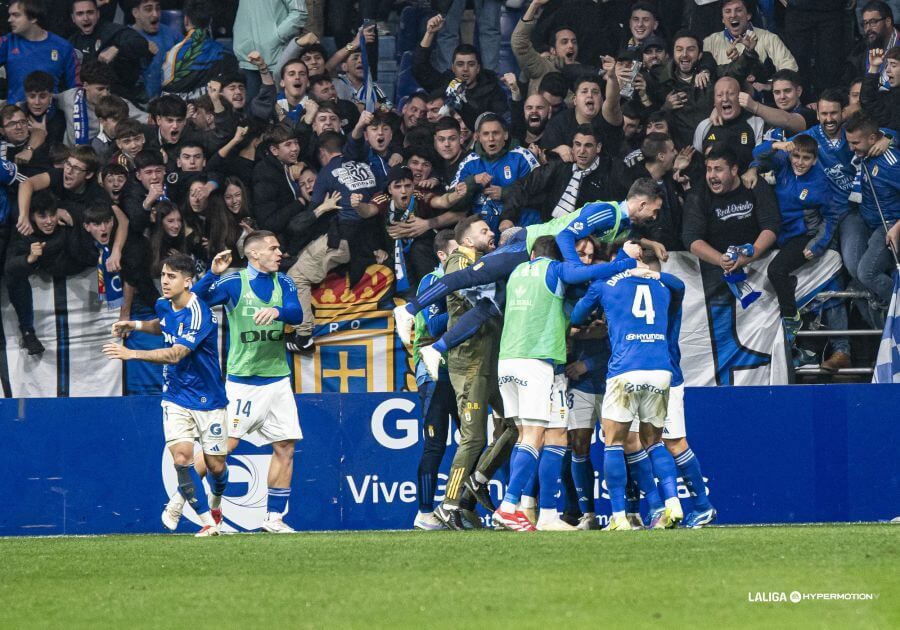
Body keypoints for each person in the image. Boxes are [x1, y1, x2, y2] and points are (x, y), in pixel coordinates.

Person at [394, 178, 663, 347]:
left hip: (542, 258)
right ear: (642, 204)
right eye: (655, 210)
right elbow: (566, 235)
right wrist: (575, 268)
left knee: (493, 305)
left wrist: (648, 244)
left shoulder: (622, 225)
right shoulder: (606, 211)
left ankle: (437, 350)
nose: (655, 216)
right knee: (472, 276)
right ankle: (409, 309)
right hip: (528, 244)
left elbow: (616, 241)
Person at [492, 235, 641, 531]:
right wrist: (625, 259)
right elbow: (588, 277)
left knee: (554, 436)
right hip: (538, 362)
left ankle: (547, 514)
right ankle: (508, 507)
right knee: (534, 435)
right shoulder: (555, 271)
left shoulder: (517, 272)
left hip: (508, 360)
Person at [161, 232, 304, 534]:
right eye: (273, 248)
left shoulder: (284, 282)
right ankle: (177, 500)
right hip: (243, 381)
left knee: (285, 447)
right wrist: (212, 274)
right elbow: (193, 300)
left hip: (278, 379)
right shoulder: (234, 283)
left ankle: (273, 518)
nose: (280, 252)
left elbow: (297, 313)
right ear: (254, 254)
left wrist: (277, 311)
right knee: (223, 448)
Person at [103, 253, 229, 537]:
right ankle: (208, 522)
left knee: (216, 467)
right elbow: (162, 323)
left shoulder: (200, 313)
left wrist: (132, 353)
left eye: (171, 276)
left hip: (209, 399)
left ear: (187, 282)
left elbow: (175, 354)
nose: (164, 281)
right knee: (182, 460)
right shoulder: (163, 304)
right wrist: (135, 324)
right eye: (163, 275)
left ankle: (216, 501)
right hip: (175, 396)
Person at [570, 260, 686, 531]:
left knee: (614, 443)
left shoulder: (605, 284)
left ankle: (619, 517)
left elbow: (576, 316)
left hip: (626, 369)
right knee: (654, 442)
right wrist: (653, 274)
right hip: (660, 370)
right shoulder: (661, 284)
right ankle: (673, 502)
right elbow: (680, 286)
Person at [431, 215, 509, 530]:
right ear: (466, 240)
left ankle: (478, 479)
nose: (491, 233)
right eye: (484, 230)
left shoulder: (483, 263)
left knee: (517, 425)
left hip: (490, 362)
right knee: (473, 437)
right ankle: (448, 505)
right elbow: (471, 295)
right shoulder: (459, 261)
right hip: (471, 363)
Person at [752, 135, 843, 348]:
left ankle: (791, 318)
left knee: (776, 271)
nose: (800, 162)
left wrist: (817, 245)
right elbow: (757, 154)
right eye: (796, 156)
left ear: (814, 159)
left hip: (802, 237)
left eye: (806, 158)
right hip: (777, 232)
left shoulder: (819, 182)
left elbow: (832, 217)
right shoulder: (783, 163)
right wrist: (777, 145)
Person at [412, 230, 460, 530]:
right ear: (442, 256)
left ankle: (458, 507)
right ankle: (425, 512)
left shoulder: (463, 279)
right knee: (435, 443)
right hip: (433, 372)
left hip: (460, 370)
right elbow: (433, 324)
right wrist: (463, 308)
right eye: (456, 253)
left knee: (473, 441)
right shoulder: (432, 281)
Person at [844, 112, 900, 319]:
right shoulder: (866, 152)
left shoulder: (892, 163)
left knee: (867, 273)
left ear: (873, 139)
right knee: (855, 271)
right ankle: (881, 320)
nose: (851, 148)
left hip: (889, 224)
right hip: (865, 219)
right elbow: (885, 131)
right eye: (849, 142)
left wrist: (897, 228)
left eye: (855, 143)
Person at [449, 112, 539, 235]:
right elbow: (451, 201)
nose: (491, 138)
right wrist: (472, 181)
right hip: (483, 234)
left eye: (496, 133)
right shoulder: (469, 163)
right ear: (478, 137)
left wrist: (505, 193)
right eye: (486, 134)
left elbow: (540, 192)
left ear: (505, 135)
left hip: (522, 228)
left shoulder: (522, 156)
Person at [68, 0, 154, 104]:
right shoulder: (71, 43)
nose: (86, 18)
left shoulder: (112, 31)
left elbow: (141, 43)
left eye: (90, 12)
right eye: (80, 14)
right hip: (88, 100)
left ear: (98, 14)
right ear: (73, 18)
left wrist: (117, 49)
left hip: (122, 98)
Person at [0, 0, 79, 105]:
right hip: (15, 112)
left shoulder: (63, 47)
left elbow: (76, 89)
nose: (9, 20)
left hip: (50, 112)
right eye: (10, 15)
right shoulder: (6, 42)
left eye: (16, 15)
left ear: (33, 18)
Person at [702, 0, 798, 74]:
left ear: (748, 15)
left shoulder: (768, 38)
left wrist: (770, 86)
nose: (733, 15)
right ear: (722, 19)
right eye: (727, 11)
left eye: (738, 10)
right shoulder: (710, 42)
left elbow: (790, 68)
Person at [693, 77, 765, 173]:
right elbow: (699, 163)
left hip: (747, 181)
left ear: (740, 97)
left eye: (731, 94)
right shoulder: (704, 126)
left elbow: (762, 160)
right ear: (714, 101)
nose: (725, 99)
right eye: (719, 95)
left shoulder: (757, 123)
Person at [511, 0, 579, 95]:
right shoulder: (542, 65)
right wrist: (534, 5)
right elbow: (519, 42)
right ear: (553, 50)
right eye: (564, 42)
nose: (571, 46)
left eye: (574, 42)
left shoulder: (582, 72)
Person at [132, 0, 180, 102]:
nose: (155, 14)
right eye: (148, 9)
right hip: (139, 102)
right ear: (136, 13)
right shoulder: (126, 39)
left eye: (158, 8)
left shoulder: (170, 33)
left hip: (169, 100)